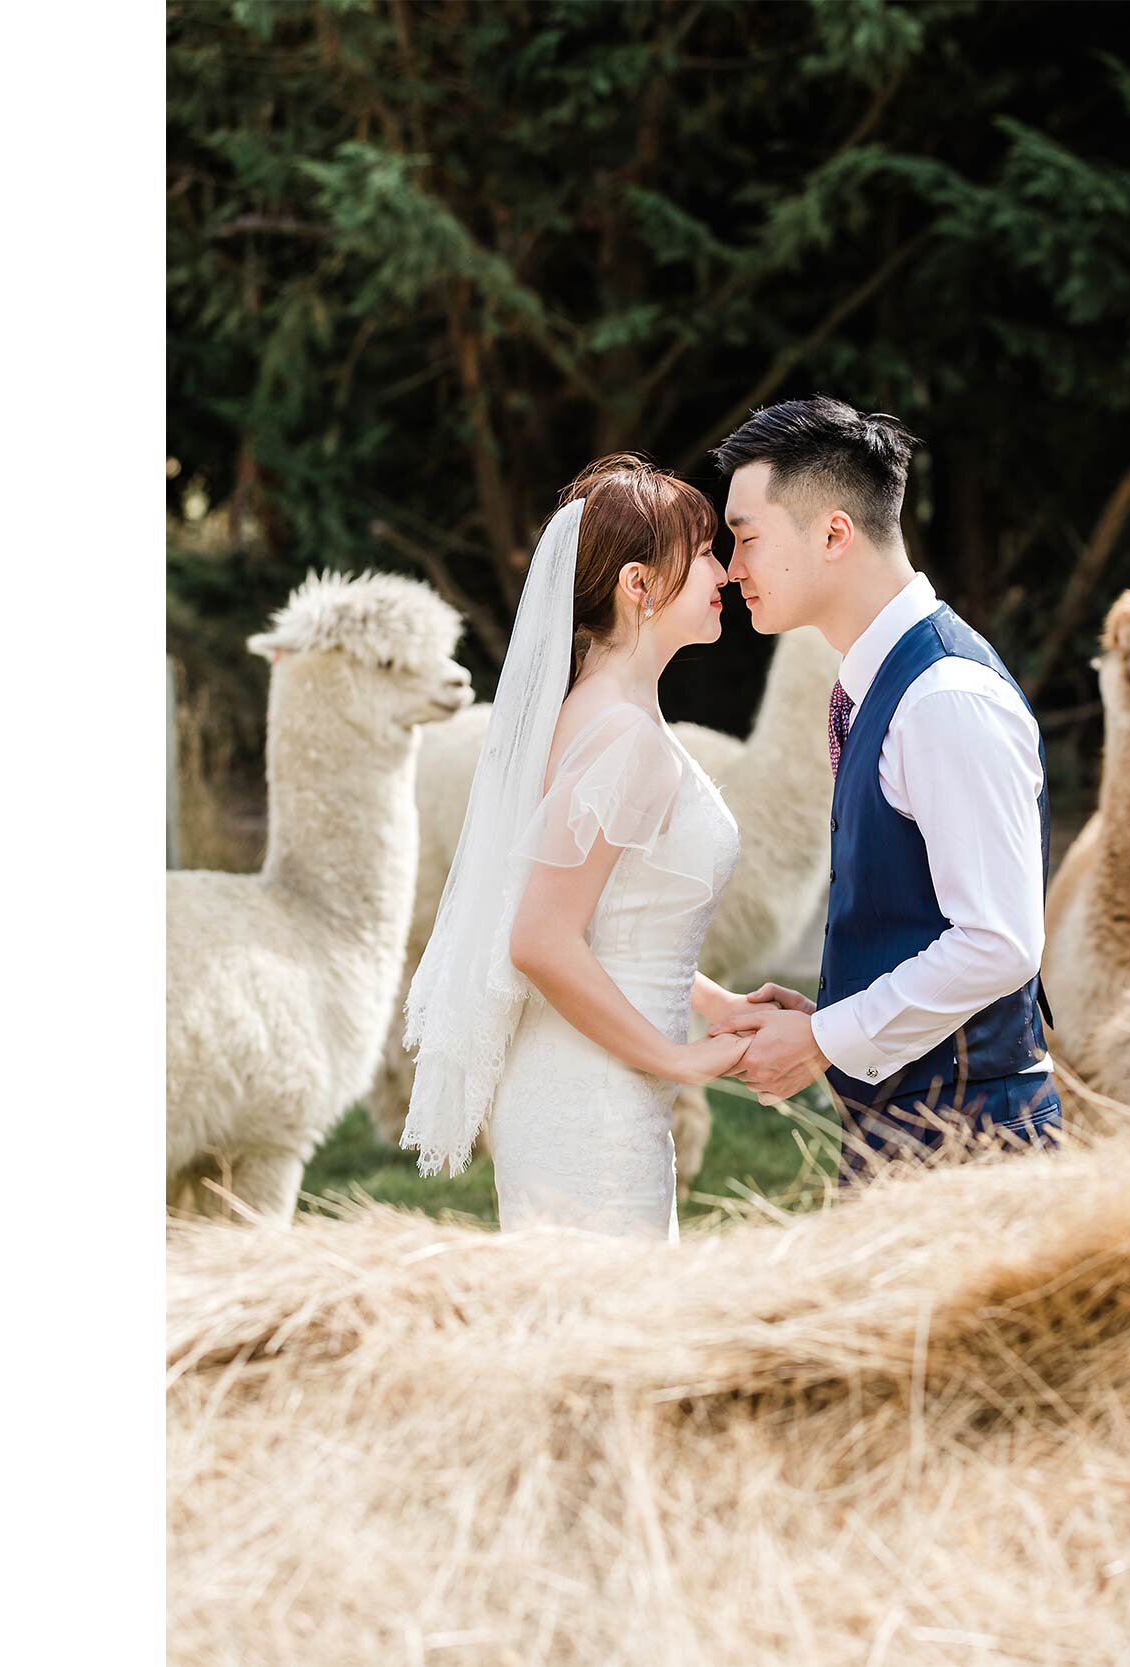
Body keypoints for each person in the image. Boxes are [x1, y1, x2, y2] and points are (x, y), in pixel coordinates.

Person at [400, 454, 784, 1239]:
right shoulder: (622, 739)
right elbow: (541, 938)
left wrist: (716, 1004)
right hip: (591, 1101)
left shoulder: (603, 714)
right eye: (702, 553)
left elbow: (612, 920)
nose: (723, 571)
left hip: (597, 1081)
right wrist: (677, 1058)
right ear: (638, 584)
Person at [707, 397, 1061, 1176]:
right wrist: (832, 1016)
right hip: (910, 1134)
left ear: (834, 534)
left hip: (974, 1149)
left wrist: (821, 1040)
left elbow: (1000, 942)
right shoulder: (878, 688)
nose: (731, 569)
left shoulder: (944, 698)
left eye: (746, 537)